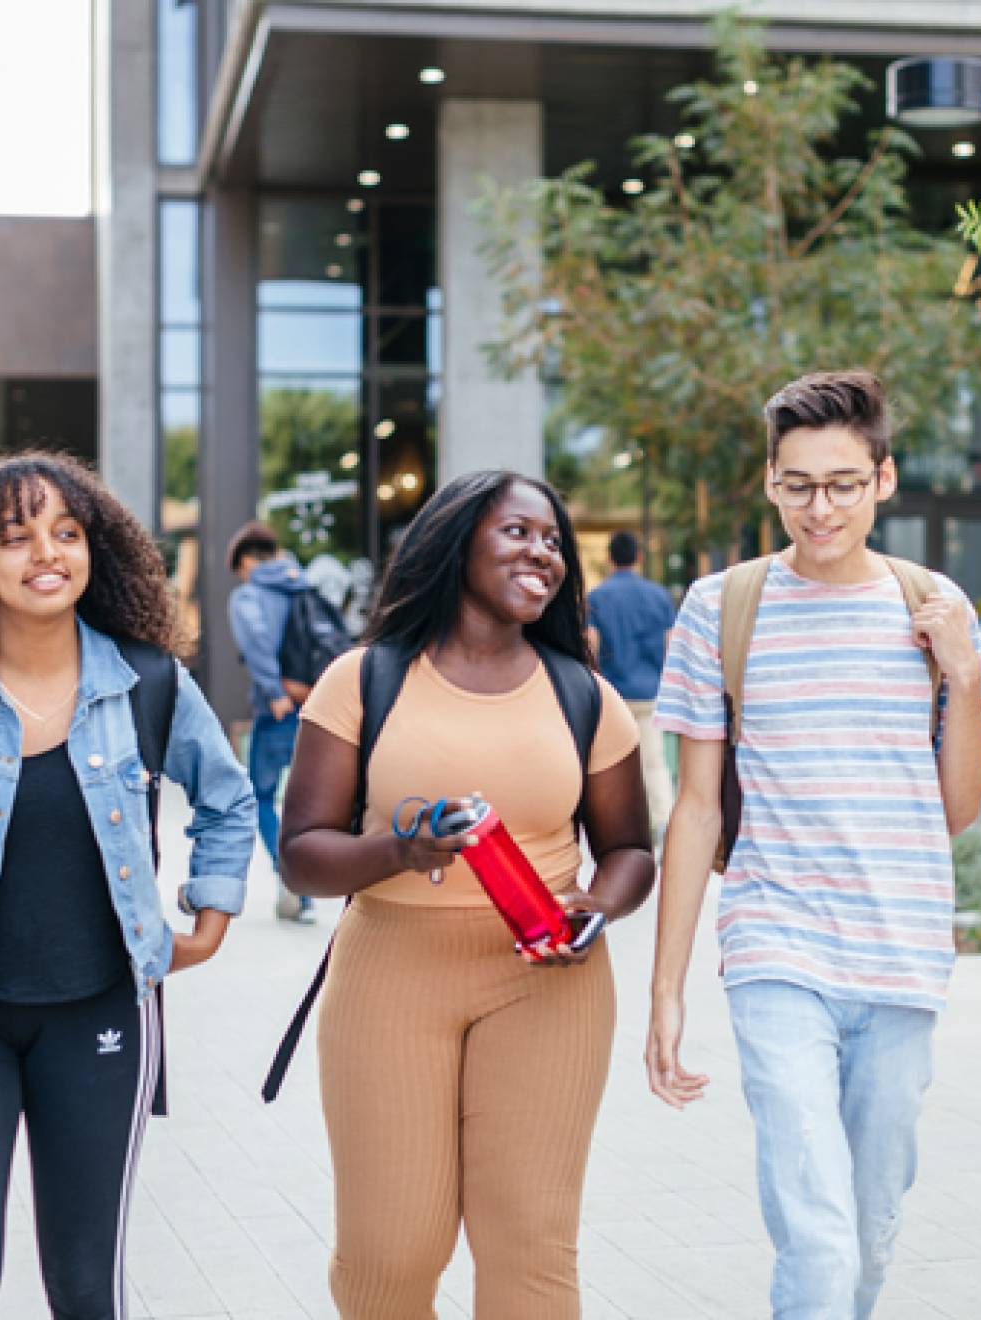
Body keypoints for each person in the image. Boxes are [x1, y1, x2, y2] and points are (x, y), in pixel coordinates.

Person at [646, 369, 981, 1319]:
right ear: (769, 483)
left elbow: (958, 809)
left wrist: (961, 680)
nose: (821, 507)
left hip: (902, 957)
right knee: (817, 1232)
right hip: (776, 946)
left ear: (883, 481)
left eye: (844, 483)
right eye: (798, 484)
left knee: (868, 1232)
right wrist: (667, 990)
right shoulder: (721, 608)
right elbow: (695, 812)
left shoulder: (939, 609)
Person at [279, 470, 654, 1319]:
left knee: (529, 1245)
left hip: (546, 983)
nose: (543, 552)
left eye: (553, 540)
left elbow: (631, 846)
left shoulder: (582, 695)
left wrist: (600, 903)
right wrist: (400, 850)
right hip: (390, 978)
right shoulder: (364, 678)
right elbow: (302, 855)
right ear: (455, 540)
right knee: (391, 1255)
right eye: (519, 532)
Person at [0, 451, 256, 1319]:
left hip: (101, 1010)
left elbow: (227, 795)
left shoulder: (147, 682)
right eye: (15, 538)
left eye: (66, 533)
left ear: (95, 551)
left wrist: (210, 914)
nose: (45, 555)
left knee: (86, 1283)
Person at [226, 520, 314, 923]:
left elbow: (257, 642)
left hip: (278, 709)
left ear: (246, 561)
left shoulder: (249, 596)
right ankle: (306, 886)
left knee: (258, 796)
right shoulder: (303, 584)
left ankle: (294, 881)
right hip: (318, 703)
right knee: (308, 800)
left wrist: (275, 692)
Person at [586, 529, 676, 841]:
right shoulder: (658, 595)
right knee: (654, 763)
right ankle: (662, 823)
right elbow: (670, 645)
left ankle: (617, 828)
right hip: (651, 692)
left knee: (612, 766)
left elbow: (591, 645)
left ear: (609, 558)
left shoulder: (597, 597)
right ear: (638, 557)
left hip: (614, 695)